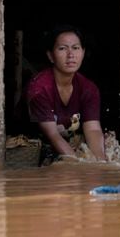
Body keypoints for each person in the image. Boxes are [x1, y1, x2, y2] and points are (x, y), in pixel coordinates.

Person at [26, 25, 107, 162]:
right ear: (51, 56)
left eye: (75, 48)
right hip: (34, 145)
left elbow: (93, 129)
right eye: (62, 48)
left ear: (83, 52)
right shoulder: (40, 89)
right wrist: (78, 165)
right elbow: (53, 135)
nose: (71, 55)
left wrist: (100, 162)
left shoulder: (88, 88)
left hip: (65, 140)